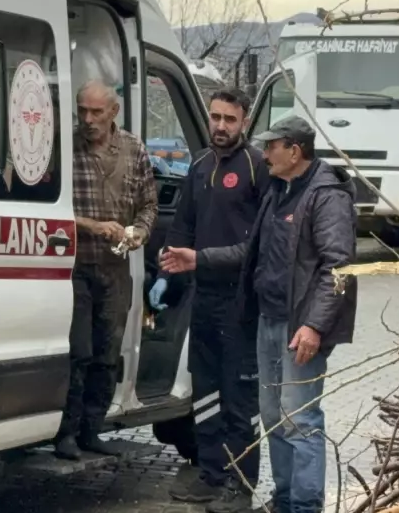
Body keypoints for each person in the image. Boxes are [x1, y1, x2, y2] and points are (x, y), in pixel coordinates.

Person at [160, 116, 358, 513]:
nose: (264, 153)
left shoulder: (326, 196)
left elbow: (338, 269)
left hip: (300, 325)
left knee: (300, 418)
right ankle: (284, 499)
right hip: (267, 320)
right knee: (272, 416)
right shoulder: (279, 191)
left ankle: (304, 505)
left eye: (272, 146)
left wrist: (314, 326)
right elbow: (248, 253)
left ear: (294, 151)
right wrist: (198, 259)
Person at [148, 88, 270, 512]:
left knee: (239, 396)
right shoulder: (198, 165)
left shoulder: (258, 168)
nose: (220, 126)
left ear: (244, 120)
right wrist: (166, 276)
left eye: (229, 119)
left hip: (241, 302)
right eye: (215, 117)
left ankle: (241, 483)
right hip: (204, 298)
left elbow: (260, 243)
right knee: (205, 390)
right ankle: (210, 474)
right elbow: (182, 228)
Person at [56, 80, 158, 460]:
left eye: (96, 112)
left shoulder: (134, 150)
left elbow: (150, 203)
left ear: (114, 112)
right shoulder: (64, 147)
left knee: (107, 353)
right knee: (77, 351)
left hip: (116, 268)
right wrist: (92, 225)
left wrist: (140, 232)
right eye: (82, 110)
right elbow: (52, 210)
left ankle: (91, 430)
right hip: (75, 266)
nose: (87, 119)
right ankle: (65, 433)